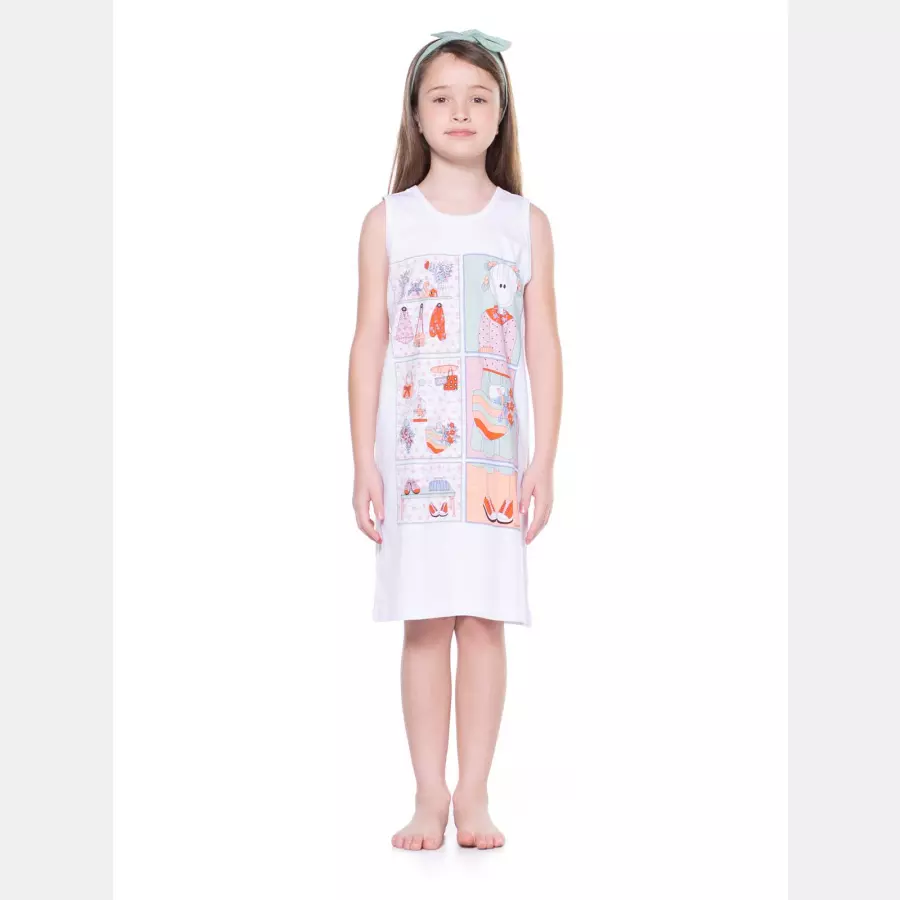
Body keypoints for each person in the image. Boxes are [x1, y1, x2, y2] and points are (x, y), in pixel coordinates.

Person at [347, 29, 563, 851]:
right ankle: (427, 795)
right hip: (412, 461)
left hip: (493, 462)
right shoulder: (388, 221)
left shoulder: (525, 223)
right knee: (424, 622)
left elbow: (544, 345)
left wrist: (545, 458)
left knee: (484, 621)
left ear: (502, 115)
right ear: (417, 113)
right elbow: (368, 342)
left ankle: (474, 792)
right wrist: (362, 460)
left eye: (478, 97)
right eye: (442, 97)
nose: (460, 111)